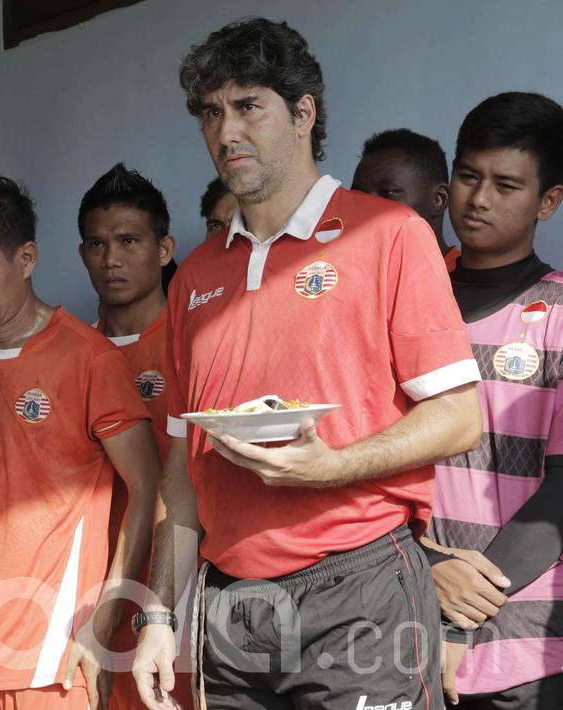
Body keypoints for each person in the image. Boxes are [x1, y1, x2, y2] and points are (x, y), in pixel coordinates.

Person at [132, 18, 483, 709]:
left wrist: (331, 466)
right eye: (210, 112)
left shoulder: (387, 235)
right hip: (230, 599)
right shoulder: (197, 275)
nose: (225, 131)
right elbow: (181, 467)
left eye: (247, 106)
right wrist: (157, 614)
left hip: (357, 586)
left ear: (302, 113)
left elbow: (458, 417)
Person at [0, 174, 160, 709]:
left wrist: (104, 621)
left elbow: (147, 486)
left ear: (25, 259)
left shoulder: (89, 359)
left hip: (55, 652)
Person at [424, 92, 563, 708]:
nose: (478, 200)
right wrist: (428, 564)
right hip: (404, 614)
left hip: (526, 646)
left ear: (549, 202)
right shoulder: (405, 306)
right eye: (467, 176)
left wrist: (463, 615)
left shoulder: (558, 315)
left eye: (507, 185)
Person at [75, 164, 193, 709]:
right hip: (87, 585)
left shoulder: (195, 342)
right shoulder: (71, 353)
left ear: (164, 248)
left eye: (129, 241)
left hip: (173, 588)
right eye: (97, 244)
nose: (111, 258)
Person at [352, 128, 458, 267]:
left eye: (387, 193)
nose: (367, 208)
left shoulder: (461, 284)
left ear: (439, 199)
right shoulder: (351, 275)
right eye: (359, 196)